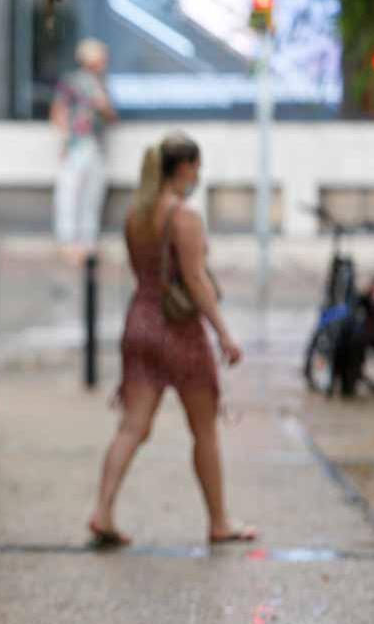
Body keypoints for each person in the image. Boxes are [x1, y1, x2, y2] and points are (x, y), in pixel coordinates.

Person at [88, 132, 255, 548]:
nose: (198, 175)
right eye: (197, 167)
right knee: (204, 430)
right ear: (184, 168)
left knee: (132, 426)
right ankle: (219, 521)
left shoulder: (136, 214)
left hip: (139, 322)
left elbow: (144, 272)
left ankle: (102, 510)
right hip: (179, 330)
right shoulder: (183, 216)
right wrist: (224, 334)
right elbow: (195, 280)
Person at [50, 38, 117, 259]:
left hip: (96, 144)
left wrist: (103, 105)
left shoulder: (102, 84)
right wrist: (66, 139)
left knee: (92, 193)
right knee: (70, 192)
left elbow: (111, 117)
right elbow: (58, 111)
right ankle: (68, 241)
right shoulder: (72, 81)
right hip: (77, 144)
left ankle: (88, 241)